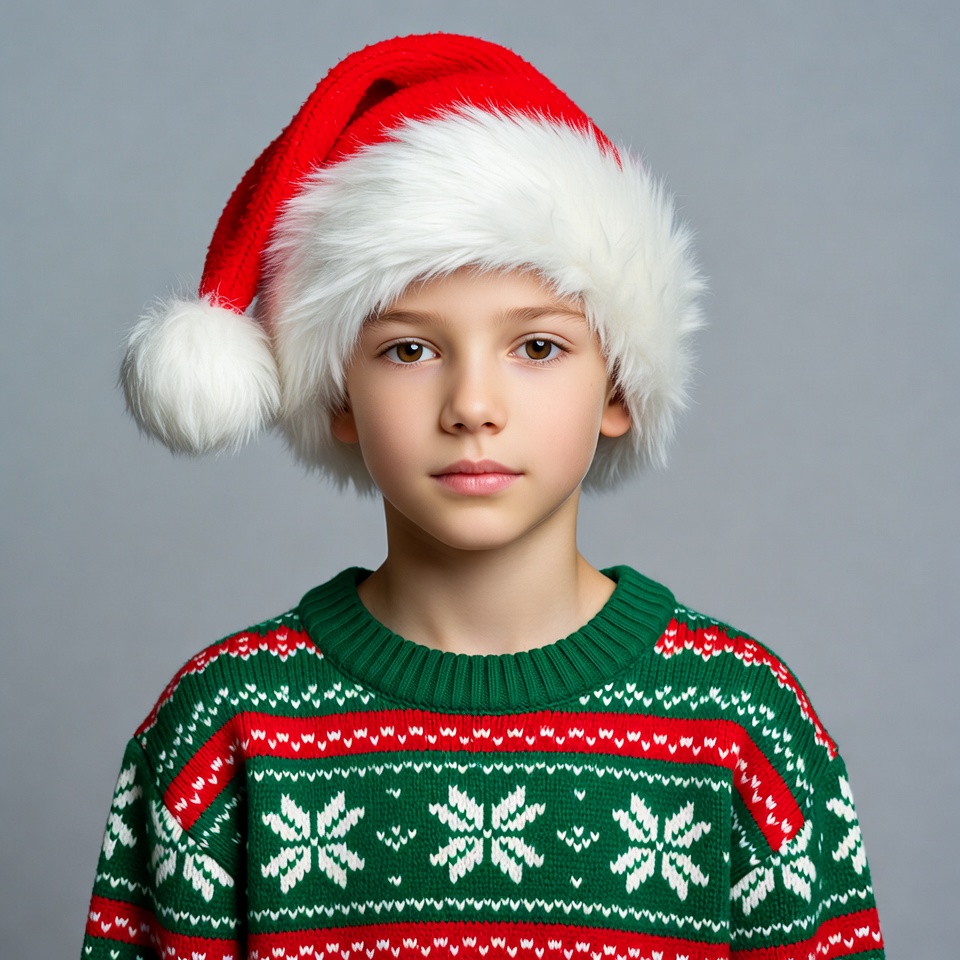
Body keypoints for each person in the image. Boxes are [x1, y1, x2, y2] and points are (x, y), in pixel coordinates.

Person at [82, 33, 884, 960]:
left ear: (619, 387)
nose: (471, 407)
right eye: (408, 349)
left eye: (537, 347)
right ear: (338, 397)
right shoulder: (222, 732)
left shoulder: (742, 723)